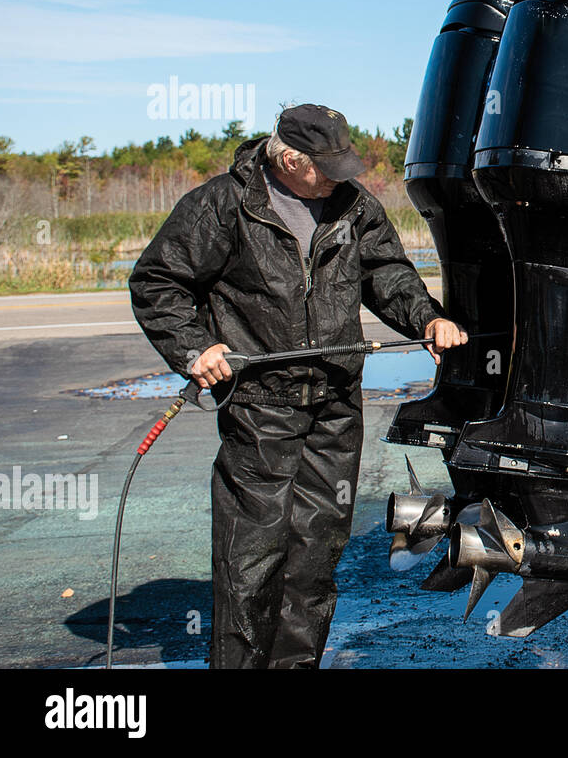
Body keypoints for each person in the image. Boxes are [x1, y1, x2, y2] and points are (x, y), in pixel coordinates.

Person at [129, 103, 466, 668]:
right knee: (252, 558)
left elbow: (387, 274)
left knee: (315, 555)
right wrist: (195, 348)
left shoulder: (353, 205)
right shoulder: (223, 206)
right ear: (288, 159)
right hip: (260, 406)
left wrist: (425, 318)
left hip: (335, 404)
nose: (340, 175)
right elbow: (158, 282)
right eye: (327, 165)